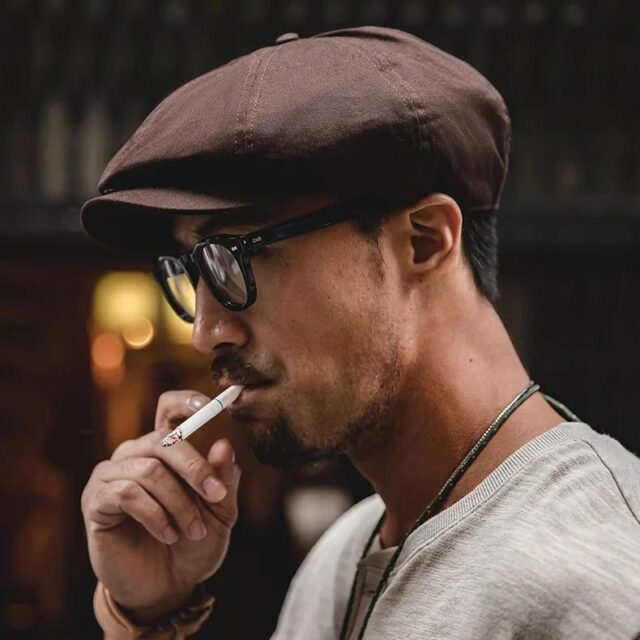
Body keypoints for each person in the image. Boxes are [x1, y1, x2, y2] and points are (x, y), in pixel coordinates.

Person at [79, 26, 640, 639]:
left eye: (236, 254)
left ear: (423, 240)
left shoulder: (597, 578)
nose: (206, 333)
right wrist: (148, 617)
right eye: (194, 270)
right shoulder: (339, 560)